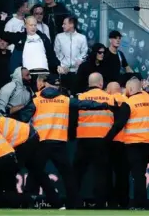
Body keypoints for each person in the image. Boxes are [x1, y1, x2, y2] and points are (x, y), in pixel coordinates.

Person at [26, 73, 117, 209]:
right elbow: (85, 104)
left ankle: (29, 200)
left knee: (35, 172)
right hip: (58, 142)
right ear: (58, 85)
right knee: (68, 176)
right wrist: (104, 105)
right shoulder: (65, 100)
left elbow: (23, 116)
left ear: (45, 84)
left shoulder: (36, 99)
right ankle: (74, 203)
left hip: (42, 142)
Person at [73, 73, 120, 209]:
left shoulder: (80, 97)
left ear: (89, 83)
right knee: (101, 173)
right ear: (101, 83)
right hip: (102, 140)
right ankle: (100, 204)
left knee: (77, 172)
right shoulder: (110, 98)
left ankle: (74, 202)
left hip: (83, 139)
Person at [123, 77, 149, 209]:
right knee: (140, 175)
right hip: (147, 143)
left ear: (130, 89)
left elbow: (120, 123)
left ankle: (138, 204)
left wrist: (107, 138)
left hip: (133, 143)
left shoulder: (129, 102)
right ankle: (142, 202)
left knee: (134, 175)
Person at [106, 81, 130, 209]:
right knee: (123, 175)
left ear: (108, 90)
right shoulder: (127, 100)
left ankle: (111, 202)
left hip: (109, 141)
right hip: (125, 141)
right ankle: (124, 202)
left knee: (107, 173)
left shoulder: (107, 99)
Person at [54, 16, 88, 94]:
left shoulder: (82, 38)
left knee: (76, 95)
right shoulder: (59, 37)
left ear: (71, 24)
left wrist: (79, 60)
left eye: (64, 24)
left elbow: (84, 52)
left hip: (77, 72)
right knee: (63, 95)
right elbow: (56, 52)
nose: (62, 26)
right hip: (63, 72)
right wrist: (62, 64)